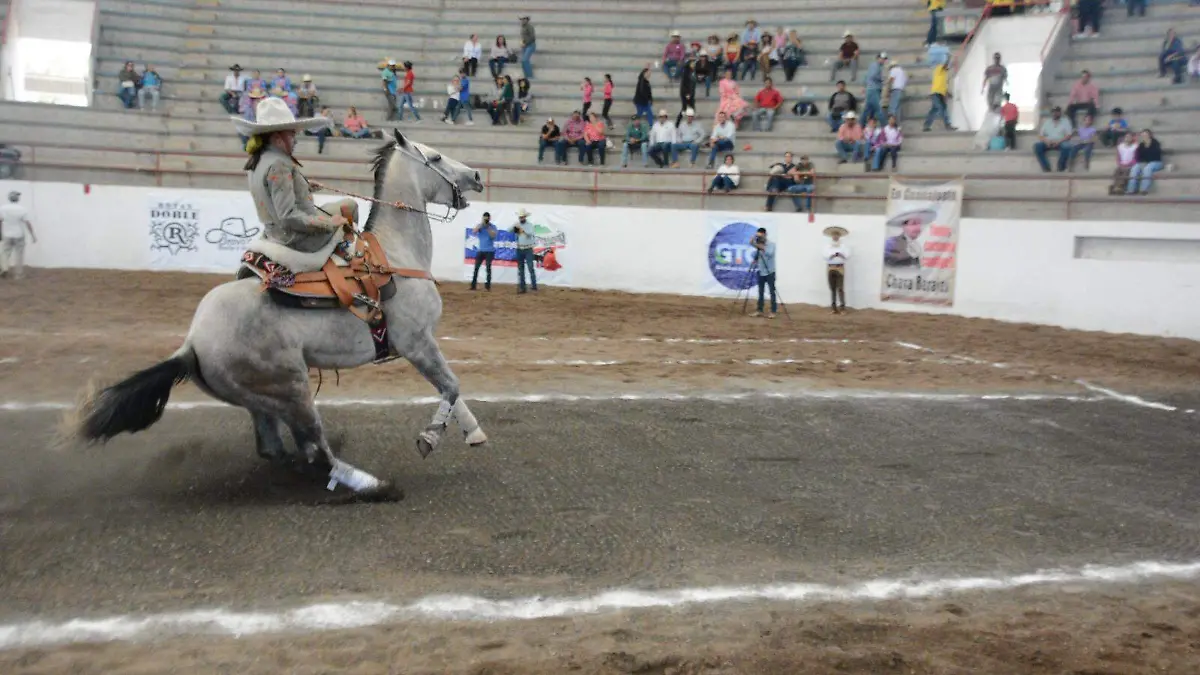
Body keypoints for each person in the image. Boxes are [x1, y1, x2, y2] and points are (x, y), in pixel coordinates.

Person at [231, 97, 355, 266]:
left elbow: (271, 193)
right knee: (350, 206)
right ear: (277, 138)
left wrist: (304, 186)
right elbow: (289, 217)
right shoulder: (279, 165)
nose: (295, 139)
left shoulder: (258, 160)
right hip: (296, 239)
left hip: (275, 233)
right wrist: (329, 223)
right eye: (292, 134)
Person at [0, 191, 36, 280]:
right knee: (19, 255)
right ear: (17, 199)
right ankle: (18, 274)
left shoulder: (2, 208)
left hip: (7, 234)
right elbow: (27, 223)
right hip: (19, 234)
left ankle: (4, 268)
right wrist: (33, 235)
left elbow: (0, 221)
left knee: (5, 253)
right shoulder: (22, 209)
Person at [1033, 106, 1074, 172]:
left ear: (1060, 113)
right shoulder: (1047, 122)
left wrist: (1058, 141)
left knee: (1067, 147)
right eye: (1053, 112)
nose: (1055, 113)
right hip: (1048, 142)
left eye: (1057, 112)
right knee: (1037, 146)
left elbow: (1069, 135)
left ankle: (1060, 168)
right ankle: (1046, 168)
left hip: (1060, 142)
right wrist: (1046, 141)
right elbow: (1040, 135)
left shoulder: (1066, 121)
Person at [1127, 129, 1164, 196]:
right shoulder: (1141, 145)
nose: (1144, 136)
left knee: (1147, 168)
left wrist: (1147, 147)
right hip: (1145, 163)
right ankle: (1131, 190)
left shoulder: (1155, 143)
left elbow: (1156, 155)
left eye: (1146, 135)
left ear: (1150, 135)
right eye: (1143, 135)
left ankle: (1143, 190)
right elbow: (1140, 158)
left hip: (1156, 162)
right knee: (1135, 168)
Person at [750, 227, 777, 319]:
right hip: (761, 271)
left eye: (761, 236)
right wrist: (754, 238)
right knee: (760, 292)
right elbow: (752, 248)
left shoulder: (771, 244)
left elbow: (769, 253)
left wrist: (760, 246)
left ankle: (773, 311)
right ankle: (759, 310)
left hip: (770, 272)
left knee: (772, 292)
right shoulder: (758, 245)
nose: (760, 238)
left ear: (765, 235)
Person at [823, 226, 850, 314]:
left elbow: (847, 255)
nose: (835, 236)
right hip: (830, 267)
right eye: (834, 235)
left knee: (840, 288)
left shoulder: (843, 246)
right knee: (832, 288)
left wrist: (840, 255)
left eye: (837, 235)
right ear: (832, 236)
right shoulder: (827, 246)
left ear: (839, 236)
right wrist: (833, 255)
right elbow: (825, 256)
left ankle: (842, 308)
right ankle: (833, 308)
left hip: (840, 268)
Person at [922, 61, 955, 131]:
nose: (948, 67)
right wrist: (948, 59)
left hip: (940, 94)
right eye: (947, 66)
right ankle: (947, 124)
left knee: (934, 110)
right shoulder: (939, 69)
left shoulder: (945, 75)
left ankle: (926, 126)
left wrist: (948, 93)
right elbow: (944, 65)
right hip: (935, 93)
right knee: (942, 108)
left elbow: (943, 87)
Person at [513, 208, 537, 293]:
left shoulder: (529, 225)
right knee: (521, 269)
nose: (521, 218)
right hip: (520, 248)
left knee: (530, 267)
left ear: (525, 217)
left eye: (522, 217)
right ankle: (522, 287)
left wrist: (521, 230)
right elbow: (509, 230)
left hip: (528, 249)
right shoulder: (517, 225)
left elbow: (530, 233)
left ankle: (534, 286)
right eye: (520, 217)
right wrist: (514, 227)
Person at [470, 212, 497, 291]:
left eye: (487, 218)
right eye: (484, 218)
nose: (486, 220)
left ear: (489, 218)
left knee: (488, 268)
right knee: (476, 268)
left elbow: (493, 236)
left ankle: (487, 287)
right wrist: (481, 225)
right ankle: (473, 285)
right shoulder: (480, 226)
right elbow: (474, 232)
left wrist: (488, 227)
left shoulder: (492, 227)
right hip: (480, 250)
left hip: (489, 251)